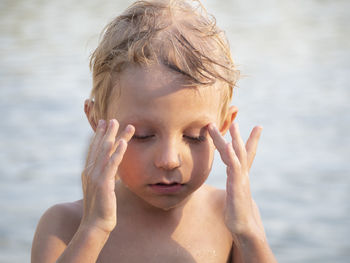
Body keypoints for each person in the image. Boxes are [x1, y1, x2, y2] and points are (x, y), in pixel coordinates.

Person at [31, 0, 277, 262]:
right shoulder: (65, 226)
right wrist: (94, 229)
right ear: (96, 120)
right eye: (142, 135)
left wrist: (248, 234)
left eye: (194, 136)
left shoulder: (229, 217)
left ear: (225, 125)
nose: (169, 159)